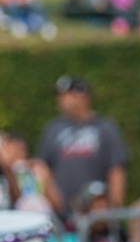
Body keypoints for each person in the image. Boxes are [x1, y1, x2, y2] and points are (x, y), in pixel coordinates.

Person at [35, 77, 128, 218]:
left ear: (83, 95)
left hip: (98, 214)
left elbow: (116, 168)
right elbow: (42, 168)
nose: (61, 101)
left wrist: (114, 207)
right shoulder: (53, 129)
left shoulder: (105, 127)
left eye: (66, 95)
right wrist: (54, 202)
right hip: (63, 217)